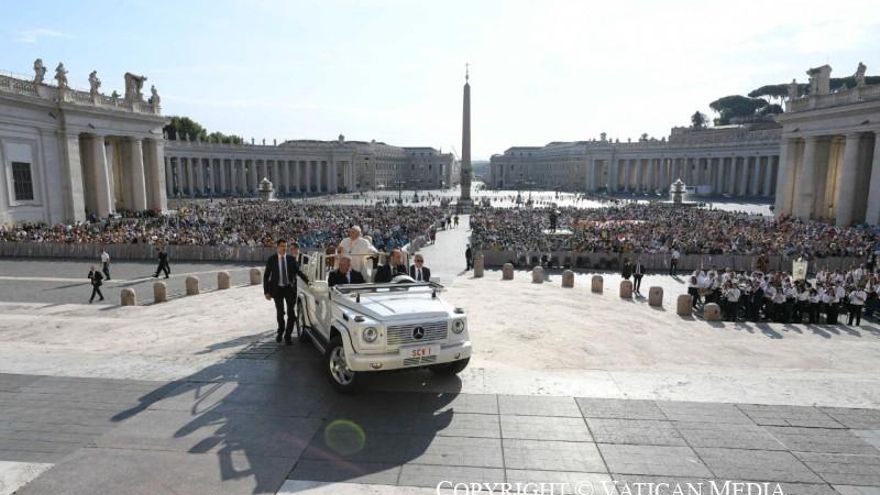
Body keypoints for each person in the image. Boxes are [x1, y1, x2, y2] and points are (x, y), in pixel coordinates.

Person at [263, 239, 310, 345]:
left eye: (285, 246)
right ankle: (280, 331)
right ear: (277, 247)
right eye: (282, 246)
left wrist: (308, 281)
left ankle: (288, 335)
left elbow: (299, 272)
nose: (284, 248)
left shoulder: (290, 259)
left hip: (289, 288)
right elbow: (266, 276)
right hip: (277, 289)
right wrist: (266, 292)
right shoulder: (272, 259)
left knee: (291, 314)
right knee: (280, 313)